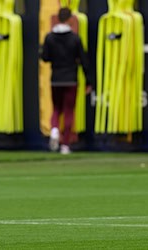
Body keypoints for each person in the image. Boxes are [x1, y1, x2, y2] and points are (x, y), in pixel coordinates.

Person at [41, 7, 92, 155]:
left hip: (56, 78)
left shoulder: (49, 37)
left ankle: (55, 130)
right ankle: (65, 146)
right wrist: (89, 81)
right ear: (70, 19)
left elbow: (45, 57)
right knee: (69, 111)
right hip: (70, 79)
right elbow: (84, 61)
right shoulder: (75, 39)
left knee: (56, 109)